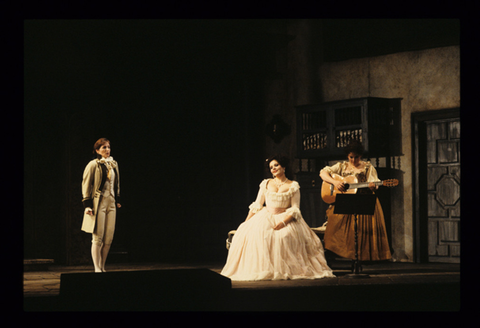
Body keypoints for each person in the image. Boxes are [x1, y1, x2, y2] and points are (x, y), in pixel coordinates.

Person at [221, 155, 335, 281]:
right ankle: (262, 268)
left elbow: (295, 209)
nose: (273, 169)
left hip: (286, 217)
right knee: (260, 235)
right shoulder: (266, 183)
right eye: (271, 167)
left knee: (284, 237)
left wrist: (283, 222)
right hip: (266, 216)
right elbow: (257, 205)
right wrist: (246, 223)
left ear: (283, 167)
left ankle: (286, 268)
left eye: (276, 165)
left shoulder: (293, 185)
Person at [319, 140, 391, 262]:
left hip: (363, 200)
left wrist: (374, 186)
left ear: (360, 156)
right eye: (351, 157)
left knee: (363, 232)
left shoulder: (368, 167)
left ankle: (362, 258)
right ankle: (342, 255)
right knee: (335, 226)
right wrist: (335, 182)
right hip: (346, 200)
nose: (353, 160)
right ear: (347, 156)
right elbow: (322, 173)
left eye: (356, 157)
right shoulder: (341, 166)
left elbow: (374, 183)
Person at [81, 138, 121, 273]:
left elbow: (117, 184)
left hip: (111, 203)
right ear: (97, 150)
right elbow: (86, 184)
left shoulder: (114, 164)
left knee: (108, 237)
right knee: (98, 237)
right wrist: (87, 204)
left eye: (108, 147)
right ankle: (97, 268)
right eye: (104, 147)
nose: (107, 150)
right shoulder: (93, 164)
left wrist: (118, 200)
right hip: (99, 203)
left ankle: (103, 266)